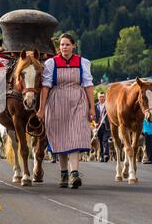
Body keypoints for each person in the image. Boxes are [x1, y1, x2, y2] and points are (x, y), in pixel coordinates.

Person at [37, 33, 95, 189]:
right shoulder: (51, 63)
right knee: (60, 137)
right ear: (59, 47)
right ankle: (64, 172)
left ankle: (74, 173)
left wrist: (92, 107)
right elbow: (45, 86)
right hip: (57, 102)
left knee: (76, 136)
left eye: (67, 44)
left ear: (73, 46)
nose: (64, 47)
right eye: (62, 45)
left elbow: (88, 85)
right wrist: (42, 109)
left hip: (78, 100)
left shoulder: (83, 62)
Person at [95, 92, 111, 162]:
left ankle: (106, 155)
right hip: (99, 126)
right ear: (98, 97)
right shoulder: (95, 106)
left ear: (105, 97)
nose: (102, 98)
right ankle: (101, 155)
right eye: (100, 96)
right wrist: (95, 123)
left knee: (105, 140)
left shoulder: (108, 105)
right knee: (100, 141)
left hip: (106, 125)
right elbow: (94, 116)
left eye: (103, 96)